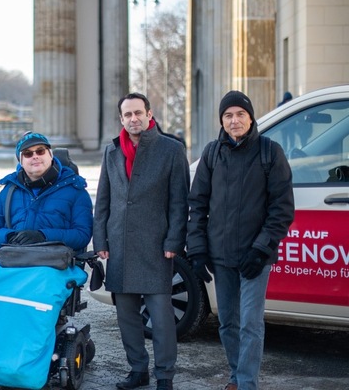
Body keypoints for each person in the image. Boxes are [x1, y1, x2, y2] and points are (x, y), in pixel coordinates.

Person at [187, 90, 295, 390]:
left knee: (250, 323)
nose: (234, 121)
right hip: (220, 255)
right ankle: (237, 375)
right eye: (228, 115)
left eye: (240, 114)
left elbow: (282, 208)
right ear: (222, 120)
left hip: (254, 257)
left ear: (250, 118)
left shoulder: (270, 152)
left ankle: (247, 383)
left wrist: (261, 250)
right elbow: (198, 204)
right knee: (228, 323)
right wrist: (197, 250)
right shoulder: (212, 153)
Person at [92, 92, 189, 390]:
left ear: (149, 114)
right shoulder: (111, 152)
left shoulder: (171, 149)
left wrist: (174, 241)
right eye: (127, 114)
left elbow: (179, 202)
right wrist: (100, 240)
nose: (133, 119)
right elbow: (103, 200)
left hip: (156, 246)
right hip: (119, 246)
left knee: (161, 318)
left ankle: (165, 375)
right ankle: (138, 370)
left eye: (138, 113)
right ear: (121, 119)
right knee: (127, 317)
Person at [0, 132, 93, 252]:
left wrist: (43, 236)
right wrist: (9, 237)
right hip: (16, 257)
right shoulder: (9, 190)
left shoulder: (75, 189)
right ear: (21, 161)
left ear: (50, 155)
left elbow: (82, 234)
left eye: (40, 151)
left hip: (57, 260)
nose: (35, 156)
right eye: (28, 153)